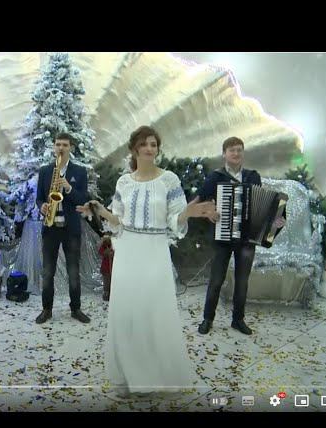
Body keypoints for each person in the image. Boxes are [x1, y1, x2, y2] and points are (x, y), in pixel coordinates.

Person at [77, 125, 216, 395]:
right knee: (127, 312)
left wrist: (189, 212)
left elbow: (175, 220)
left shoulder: (169, 180)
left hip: (154, 251)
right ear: (134, 149)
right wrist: (100, 210)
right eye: (144, 144)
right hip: (128, 251)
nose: (150, 148)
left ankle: (153, 375)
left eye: (153, 144)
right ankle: (127, 376)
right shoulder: (124, 182)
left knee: (153, 311)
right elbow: (118, 221)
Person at [194, 137, 285, 336]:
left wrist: (275, 222)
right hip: (222, 238)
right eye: (232, 150)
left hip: (246, 239)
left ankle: (238, 320)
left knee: (242, 282)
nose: (236, 153)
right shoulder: (216, 177)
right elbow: (198, 202)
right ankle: (207, 319)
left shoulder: (253, 176)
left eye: (239, 150)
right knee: (216, 280)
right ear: (224, 154)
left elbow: (263, 206)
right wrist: (209, 213)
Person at [35, 132, 90, 324]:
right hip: (50, 227)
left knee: (73, 271)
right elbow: (39, 198)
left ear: (71, 148)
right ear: (54, 147)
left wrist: (68, 187)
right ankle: (46, 309)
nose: (61, 148)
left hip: (70, 228)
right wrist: (42, 206)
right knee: (47, 272)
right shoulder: (45, 171)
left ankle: (76, 309)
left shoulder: (80, 172)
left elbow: (83, 200)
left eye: (65, 145)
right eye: (58, 144)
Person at [98, 232, 114, 301]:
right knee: (106, 283)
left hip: (112, 269)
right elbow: (101, 252)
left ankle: (111, 295)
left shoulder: (113, 246)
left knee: (111, 282)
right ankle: (106, 295)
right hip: (105, 269)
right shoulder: (103, 247)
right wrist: (107, 252)